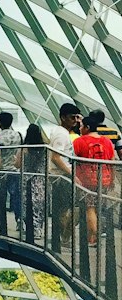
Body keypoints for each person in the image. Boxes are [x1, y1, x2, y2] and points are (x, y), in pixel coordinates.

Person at [74, 111, 116, 247]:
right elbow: (112, 161)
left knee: (90, 208)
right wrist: (112, 180)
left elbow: (72, 160)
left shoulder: (80, 141)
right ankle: (96, 235)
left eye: (81, 126)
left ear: (86, 127)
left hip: (87, 181)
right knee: (98, 208)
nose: (79, 129)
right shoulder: (107, 142)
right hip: (104, 179)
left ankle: (93, 237)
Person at [48, 101, 82, 252]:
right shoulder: (62, 134)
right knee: (69, 208)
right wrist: (72, 174)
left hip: (61, 176)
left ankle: (61, 237)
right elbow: (55, 157)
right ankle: (63, 237)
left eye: (76, 117)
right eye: (72, 117)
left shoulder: (61, 132)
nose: (75, 120)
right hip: (61, 177)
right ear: (63, 118)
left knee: (66, 208)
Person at [16, 124, 48, 243]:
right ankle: (38, 228)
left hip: (26, 179)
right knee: (39, 204)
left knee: (26, 203)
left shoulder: (24, 148)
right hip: (40, 180)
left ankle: (29, 226)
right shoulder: (44, 148)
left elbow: (17, 164)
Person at [0, 112, 22, 235]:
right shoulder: (17, 136)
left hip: (3, 171)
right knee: (16, 196)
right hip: (15, 170)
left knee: (0, 197)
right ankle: (19, 220)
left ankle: (0, 221)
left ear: (0, 122)